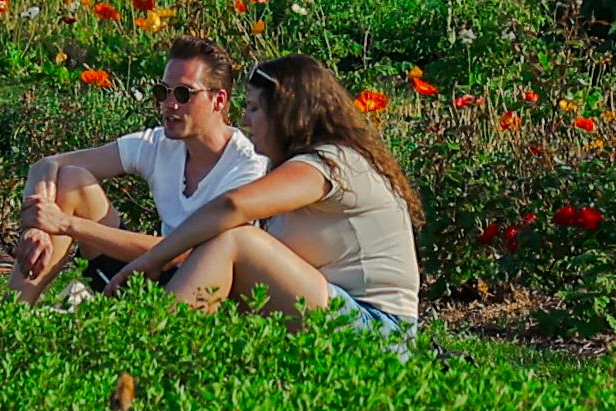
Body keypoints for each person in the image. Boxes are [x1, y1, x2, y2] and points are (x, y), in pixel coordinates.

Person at [134, 58, 420, 334]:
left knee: (236, 240)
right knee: (232, 244)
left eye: (254, 108)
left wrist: (153, 259)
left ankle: (153, 349)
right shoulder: (299, 167)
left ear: (286, 111)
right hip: (341, 315)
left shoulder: (334, 161)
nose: (244, 120)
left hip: (382, 330)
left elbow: (233, 205)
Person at [6, 37, 271, 297]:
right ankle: (13, 313)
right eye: (162, 91)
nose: (169, 104)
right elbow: (47, 164)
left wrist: (66, 224)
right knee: (71, 180)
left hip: (202, 292)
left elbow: (186, 252)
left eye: (183, 93)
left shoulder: (247, 167)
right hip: (149, 274)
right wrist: (37, 226)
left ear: (219, 100)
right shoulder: (159, 143)